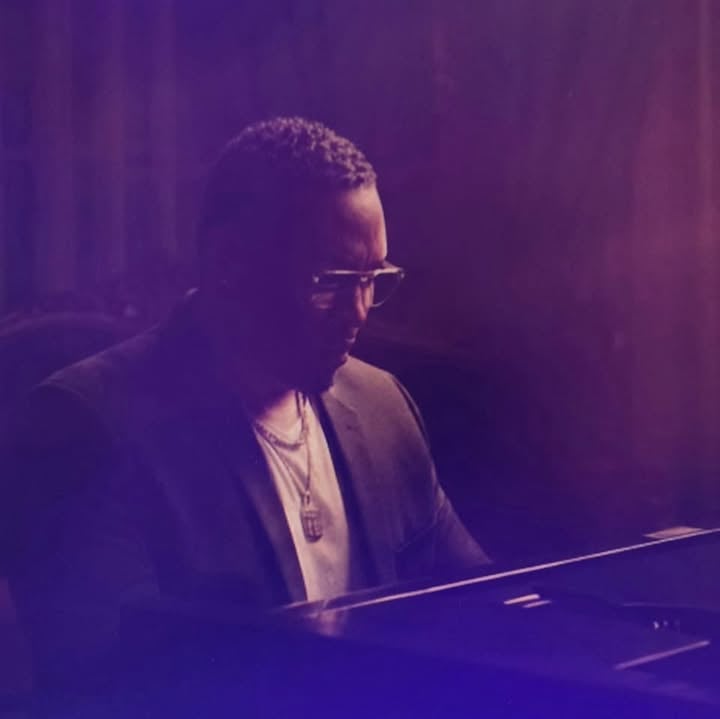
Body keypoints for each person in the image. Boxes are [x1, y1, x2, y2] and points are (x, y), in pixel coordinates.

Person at [3, 117, 489, 683]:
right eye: (329, 281)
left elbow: (481, 603)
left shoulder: (383, 407)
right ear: (229, 266)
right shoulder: (87, 426)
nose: (358, 312)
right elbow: (103, 686)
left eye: (372, 278)